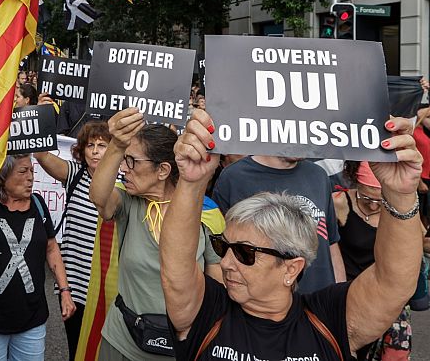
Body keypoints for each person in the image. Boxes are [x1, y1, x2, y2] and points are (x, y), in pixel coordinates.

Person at [160, 109, 425, 360]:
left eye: (245, 253)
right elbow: (176, 264)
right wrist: (191, 182)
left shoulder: (329, 320)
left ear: (291, 269)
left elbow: (393, 282)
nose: (226, 263)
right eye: (223, 247)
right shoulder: (207, 313)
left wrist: (400, 194)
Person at [89, 108, 222, 361]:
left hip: (181, 350)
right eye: (123, 160)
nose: (124, 169)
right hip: (122, 341)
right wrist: (117, 144)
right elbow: (99, 197)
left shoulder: (205, 213)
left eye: (132, 161)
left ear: (162, 170)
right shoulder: (129, 202)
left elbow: (218, 287)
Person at [0, 155, 75, 360]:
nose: (30, 177)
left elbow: (51, 247)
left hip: (31, 319)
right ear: (2, 176)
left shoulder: (38, 204)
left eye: (31, 170)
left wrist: (65, 290)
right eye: (22, 172)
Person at [212, 152, 345, 293]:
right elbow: (218, 248)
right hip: (262, 304)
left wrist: (339, 293)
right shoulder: (234, 177)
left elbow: (331, 241)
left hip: (320, 299)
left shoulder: (318, 174)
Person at [33, 121, 111, 360]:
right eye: (90, 145)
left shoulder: (124, 182)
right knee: (77, 348)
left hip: (108, 286)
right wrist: (40, 116)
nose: (95, 151)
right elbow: (42, 154)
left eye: (102, 145)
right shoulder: (74, 174)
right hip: (75, 283)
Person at [333, 161, 414, 359]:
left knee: (393, 354)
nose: (372, 204)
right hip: (349, 293)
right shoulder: (339, 202)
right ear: (355, 183)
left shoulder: (397, 210)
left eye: (380, 200)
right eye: (365, 197)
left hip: (386, 295)